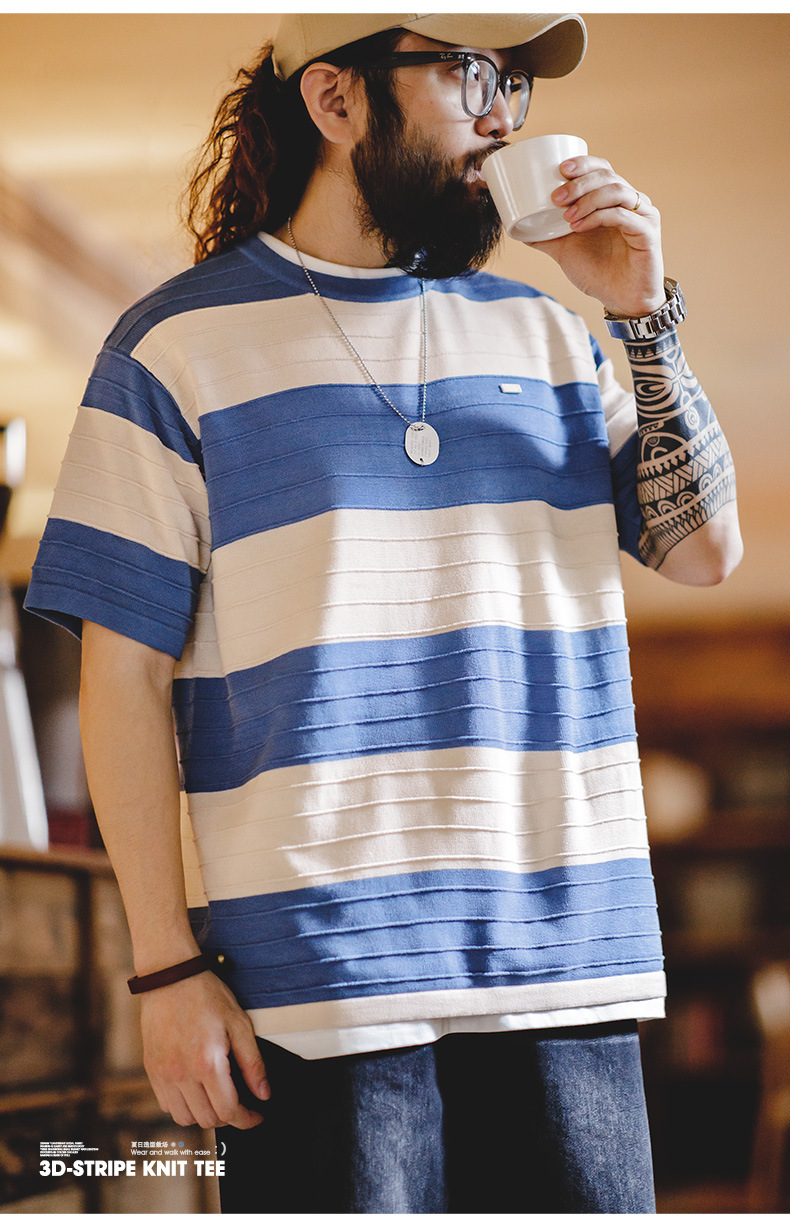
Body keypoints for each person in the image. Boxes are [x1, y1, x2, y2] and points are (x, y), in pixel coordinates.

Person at [25, 12, 743, 1214]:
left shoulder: (549, 336)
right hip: (315, 989)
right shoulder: (169, 351)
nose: (503, 115)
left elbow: (705, 548)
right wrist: (162, 969)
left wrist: (642, 313)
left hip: (567, 969)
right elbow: (122, 676)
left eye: (513, 83)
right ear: (335, 99)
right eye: (470, 75)